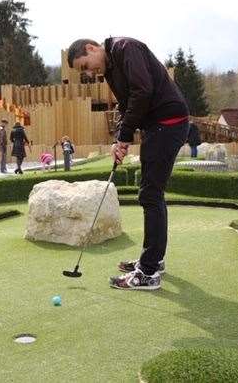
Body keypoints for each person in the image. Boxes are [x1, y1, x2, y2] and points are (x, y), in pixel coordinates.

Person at [67, 37, 189, 291]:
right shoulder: (112, 67)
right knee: (152, 194)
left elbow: (142, 91)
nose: (89, 72)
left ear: (91, 48)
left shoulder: (126, 49)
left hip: (168, 123)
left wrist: (125, 136)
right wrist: (119, 139)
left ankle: (148, 271)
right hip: (158, 126)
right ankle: (153, 259)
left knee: (150, 194)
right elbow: (125, 104)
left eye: (85, 66)